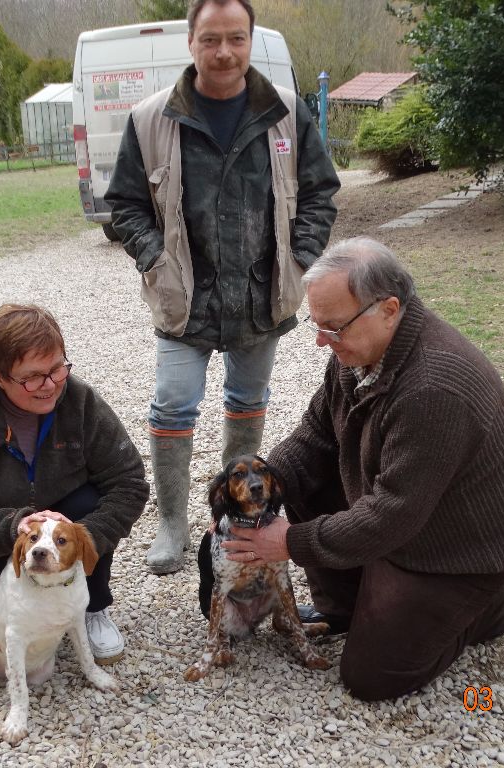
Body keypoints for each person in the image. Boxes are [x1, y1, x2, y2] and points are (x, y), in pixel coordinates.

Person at [221, 238, 504, 700]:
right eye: (318, 325)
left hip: (461, 548)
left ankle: (494, 598)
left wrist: (288, 542)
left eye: (333, 328)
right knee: (290, 483)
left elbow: (392, 515)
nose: (320, 342)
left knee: (373, 677)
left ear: (389, 308)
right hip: (412, 515)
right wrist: (259, 486)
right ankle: (347, 605)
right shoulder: (359, 351)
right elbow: (315, 437)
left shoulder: (434, 387)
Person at [104, 0, 340, 575]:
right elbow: (124, 205)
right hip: (184, 300)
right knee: (172, 404)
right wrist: (156, 259)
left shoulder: (286, 113)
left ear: (250, 40)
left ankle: (233, 518)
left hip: (261, 298)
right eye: (211, 39)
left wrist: (301, 257)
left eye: (236, 38)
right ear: (191, 43)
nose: (224, 52)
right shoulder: (149, 119)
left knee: (247, 402)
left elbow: (319, 194)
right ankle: (172, 523)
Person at [0, 304, 149, 664]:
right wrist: (16, 525)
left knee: (89, 503)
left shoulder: (81, 401)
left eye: (57, 369)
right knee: (4, 637)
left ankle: (91, 608)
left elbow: (130, 482)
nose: (49, 386)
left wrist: (82, 539)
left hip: (71, 523)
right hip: (2, 545)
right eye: (32, 377)